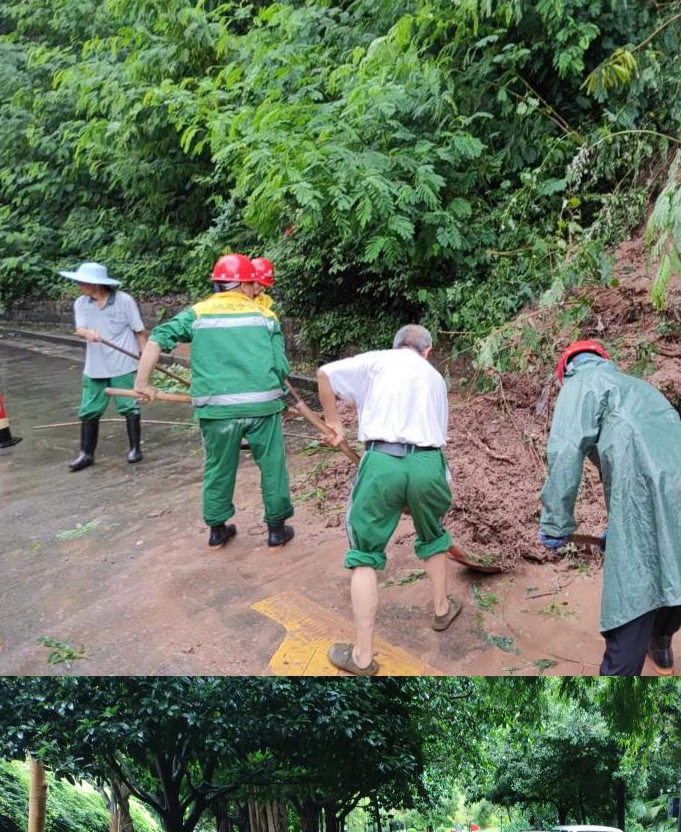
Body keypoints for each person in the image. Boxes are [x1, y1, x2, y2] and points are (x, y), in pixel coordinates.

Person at [538, 340, 681, 675]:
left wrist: (556, 523)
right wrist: (619, 528)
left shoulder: (581, 383)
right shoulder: (638, 387)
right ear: (606, 361)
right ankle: (661, 646)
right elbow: (644, 445)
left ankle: (619, 671)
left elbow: (565, 451)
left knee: (635, 581)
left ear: (567, 370)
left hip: (648, 484)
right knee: (676, 557)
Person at [311, 324, 460, 675]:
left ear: (396, 346)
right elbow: (438, 437)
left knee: (365, 553)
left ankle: (362, 657)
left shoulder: (377, 361)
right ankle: (441, 609)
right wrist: (433, 485)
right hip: (429, 465)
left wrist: (334, 423)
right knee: (433, 534)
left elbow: (324, 375)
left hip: (381, 462)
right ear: (428, 350)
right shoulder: (436, 378)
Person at [134, 254, 295, 549]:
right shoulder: (266, 317)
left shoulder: (197, 314)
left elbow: (157, 338)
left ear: (219, 284)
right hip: (263, 407)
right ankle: (276, 529)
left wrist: (142, 383)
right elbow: (281, 366)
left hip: (217, 412)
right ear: (247, 284)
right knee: (273, 466)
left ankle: (217, 530)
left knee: (218, 467)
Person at [58, 260, 147, 472]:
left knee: (128, 406)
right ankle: (86, 453)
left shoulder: (124, 301)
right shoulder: (81, 303)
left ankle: (135, 448)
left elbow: (140, 332)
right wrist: (87, 333)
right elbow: (79, 328)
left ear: (96, 284)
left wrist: (144, 361)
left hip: (123, 363)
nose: (78, 285)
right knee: (89, 410)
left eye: (82, 282)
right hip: (95, 366)